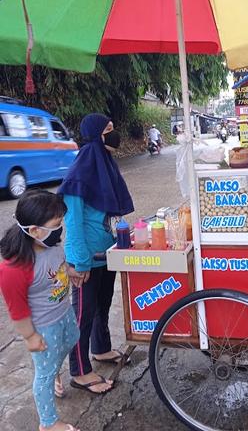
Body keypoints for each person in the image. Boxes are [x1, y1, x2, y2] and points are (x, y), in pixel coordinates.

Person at [58, 113, 134, 394]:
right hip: (85, 258)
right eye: (109, 130)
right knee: (83, 314)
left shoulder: (105, 166)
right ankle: (79, 371)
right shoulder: (80, 174)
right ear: (95, 135)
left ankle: (100, 349)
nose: (114, 135)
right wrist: (78, 262)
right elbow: (73, 222)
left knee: (103, 305)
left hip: (105, 254)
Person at [0, 190, 80, 431]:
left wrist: (70, 272)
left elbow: (59, 264)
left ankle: (54, 369)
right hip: (44, 327)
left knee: (72, 340)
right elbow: (18, 310)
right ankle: (48, 423)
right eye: (56, 225)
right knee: (43, 375)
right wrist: (30, 336)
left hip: (64, 312)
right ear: (34, 230)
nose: (60, 229)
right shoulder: (15, 268)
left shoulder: (50, 243)